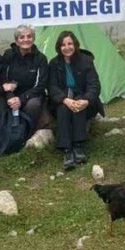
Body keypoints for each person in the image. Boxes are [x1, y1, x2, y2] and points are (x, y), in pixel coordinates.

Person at [47, 31, 104, 170]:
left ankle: (78, 146)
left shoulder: (86, 60)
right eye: (63, 45)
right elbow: (52, 87)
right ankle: (67, 149)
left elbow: (94, 85)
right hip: (63, 101)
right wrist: (64, 99)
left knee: (78, 103)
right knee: (63, 108)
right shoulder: (54, 63)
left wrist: (86, 100)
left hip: (86, 102)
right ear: (59, 47)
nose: (67, 47)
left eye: (70, 44)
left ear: (75, 44)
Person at [0, 25, 50, 130]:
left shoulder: (41, 59)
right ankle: (4, 132)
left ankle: (27, 131)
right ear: (17, 41)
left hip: (32, 95)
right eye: (22, 37)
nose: (26, 40)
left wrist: (21, 99)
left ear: (33, 39)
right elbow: (3, 78)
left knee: (33, 104)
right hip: (10, 94)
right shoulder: (9, 54)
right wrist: (10, 96)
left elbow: (41, 85)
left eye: (29, 36)